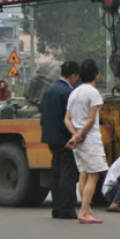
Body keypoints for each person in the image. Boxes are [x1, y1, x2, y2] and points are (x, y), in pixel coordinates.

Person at [65, 59, 108, 224]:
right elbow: (91, 120)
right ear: (96, 74)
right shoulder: (93, 92)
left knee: (83, 174)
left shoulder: (74, 92)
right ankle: (83, 212)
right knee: (94, 176)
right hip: (89, 140)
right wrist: (80, 135)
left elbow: (66, 119)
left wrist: (75, 135)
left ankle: (87, 210)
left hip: (78, 141)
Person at [41, 61, 80, 219]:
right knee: (68, 174)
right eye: (76, 76)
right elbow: (70, 118)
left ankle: (56, 208)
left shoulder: (49, 90)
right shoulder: (68, 92)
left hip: (51, 139)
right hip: (65, 139)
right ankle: (67, 208)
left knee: (56, 173)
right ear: (72, 76)